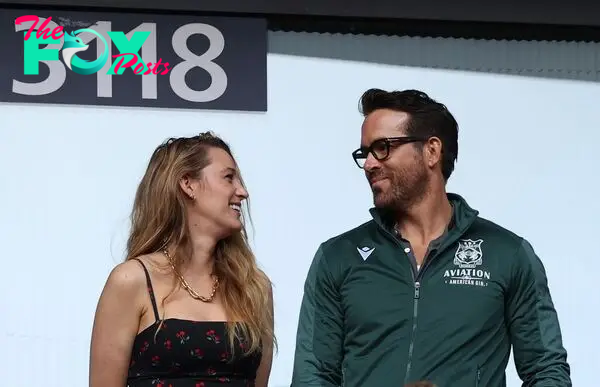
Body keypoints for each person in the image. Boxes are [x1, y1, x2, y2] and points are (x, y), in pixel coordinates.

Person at [290, 89, 571, 387]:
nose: (370, 164)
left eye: (383, 147)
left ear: (432, 151)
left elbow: (546, 372)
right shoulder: (337, 257)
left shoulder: (508, 254)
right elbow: (313, 377)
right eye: (365, 153)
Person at [89, 132, 275, 387]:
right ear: (188, 184)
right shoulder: (132, 280)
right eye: (228, 178)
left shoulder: (254, 287)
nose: (242, 192)